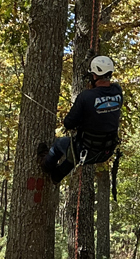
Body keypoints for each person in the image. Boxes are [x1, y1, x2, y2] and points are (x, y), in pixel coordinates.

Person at [39, 55, 124, 184]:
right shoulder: (117, 91)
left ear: (94, 75)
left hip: (87, 150)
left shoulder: (86, 97)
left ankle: (46, 165)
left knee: (60, 144)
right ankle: (57, 175)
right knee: (73, 150)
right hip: (106, 151)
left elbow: (68, 123)